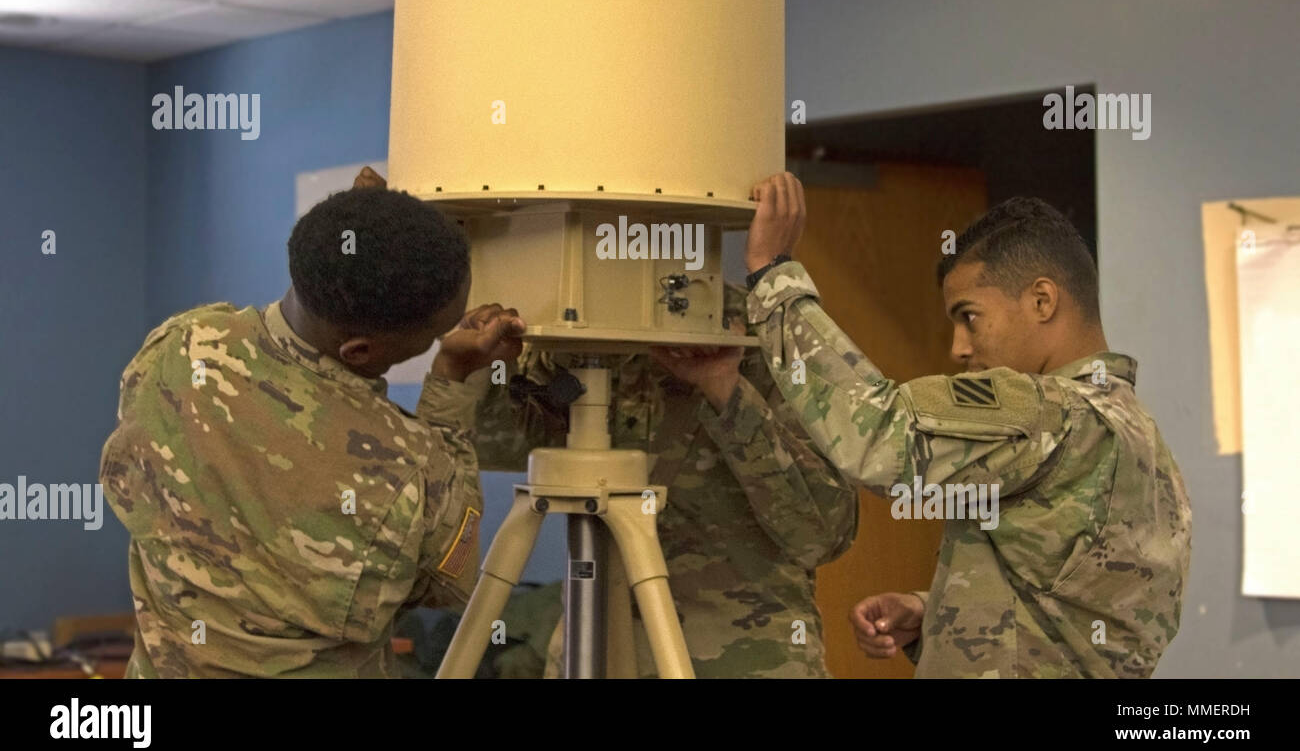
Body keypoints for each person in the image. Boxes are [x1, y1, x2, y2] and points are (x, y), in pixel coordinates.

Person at [742, 173, 1192, 678]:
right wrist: (936, 610)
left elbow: (881, 432)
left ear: (1043, 301)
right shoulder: (1137, 432)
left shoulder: (1042, 411)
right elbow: (1082, 597)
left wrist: (774, 275)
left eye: (969, 316)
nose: (958, 347)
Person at [99, 169, 523, 677]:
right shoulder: (410, 467)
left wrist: (359, 232)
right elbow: (447, 582)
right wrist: (452, 379)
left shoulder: (179, 346)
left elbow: (310, 304)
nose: (437, 341)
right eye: (432, 335)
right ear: (360, 351)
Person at [424, 284, 859, 678]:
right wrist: (475, 368)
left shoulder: (757, 332)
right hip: (593, 649)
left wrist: (726, 391)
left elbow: (822, 532)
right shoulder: (573, 324)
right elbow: (498, 447)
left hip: (741, 658)